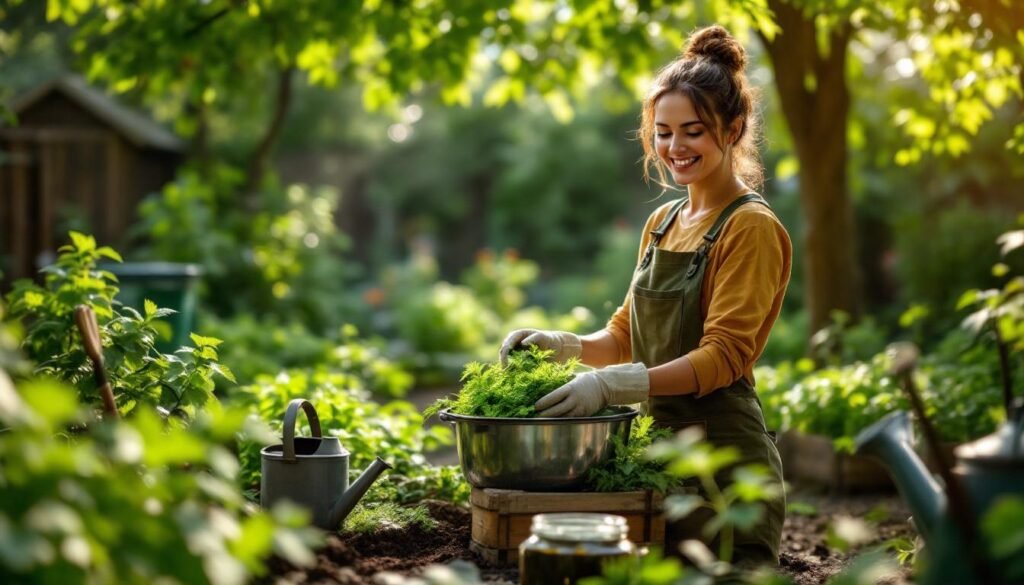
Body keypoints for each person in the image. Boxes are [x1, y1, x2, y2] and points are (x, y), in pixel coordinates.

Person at [498, 25, 791, 565]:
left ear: (733, 129)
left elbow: (725, 357)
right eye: (664, 132)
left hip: (724, 473)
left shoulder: (749, 227)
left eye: (693, 131)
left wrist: (616, 384)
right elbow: (625, 335)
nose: (675, 148)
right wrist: (561, 346)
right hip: (658, 458)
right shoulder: (664, 220)